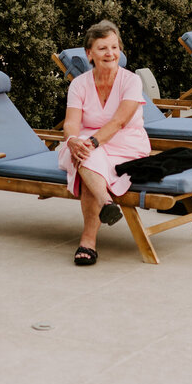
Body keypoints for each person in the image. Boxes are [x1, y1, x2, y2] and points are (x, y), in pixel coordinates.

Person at [57, 20, 151, 266]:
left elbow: (120, 121)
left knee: (87, 161)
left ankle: (88, 241)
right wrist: (74, 140)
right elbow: (70, 123)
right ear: (89, 53)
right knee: (86, 159)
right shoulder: (79, 84)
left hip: (125, 142)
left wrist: (91, 143)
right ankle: (105, 204)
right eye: (102, 48)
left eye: (114, 47)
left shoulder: (131, 81)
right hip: (87, 144)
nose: (110, 53)